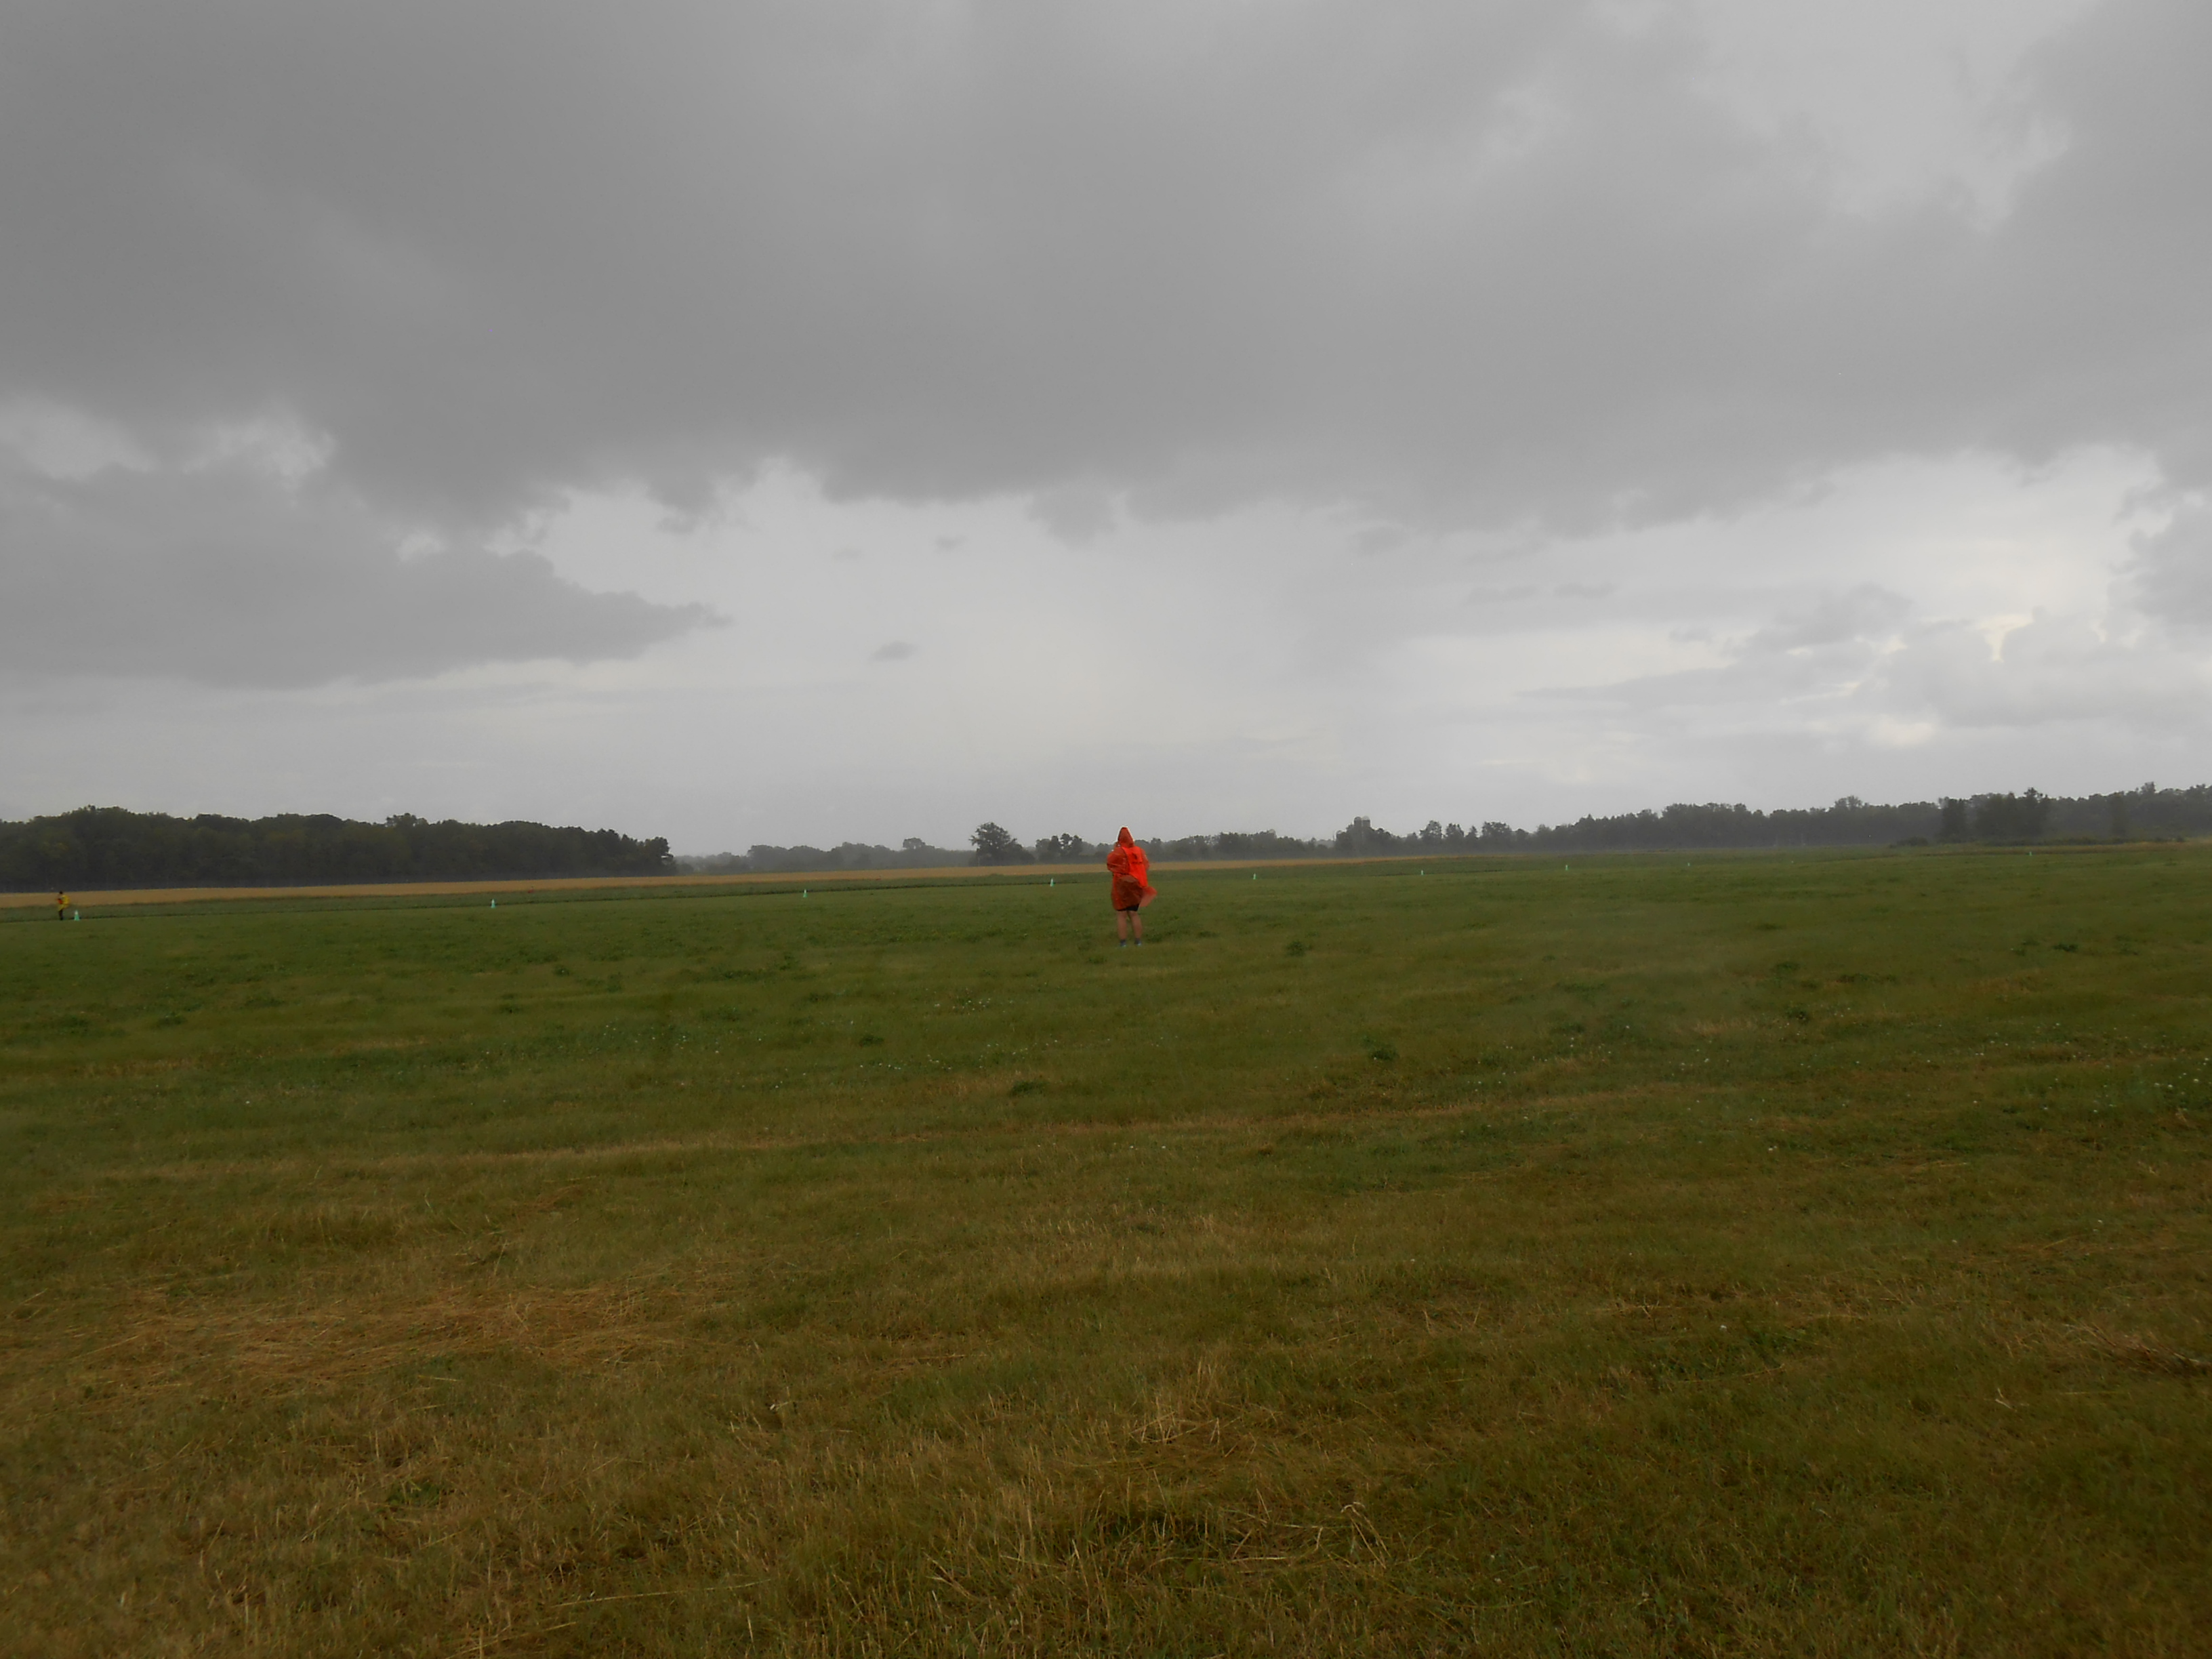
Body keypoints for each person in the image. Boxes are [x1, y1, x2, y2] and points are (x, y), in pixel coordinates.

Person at [1105, 827, 1155, 946]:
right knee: (1134, 913)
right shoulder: (1139, 851)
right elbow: (1146, 866)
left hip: (1122, 885)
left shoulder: (1119, 852)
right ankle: (1138, 942)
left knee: (1121, 914)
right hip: (1137, 885)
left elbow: (1111, 864)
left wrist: (1115, 848)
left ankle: (1123, 943)